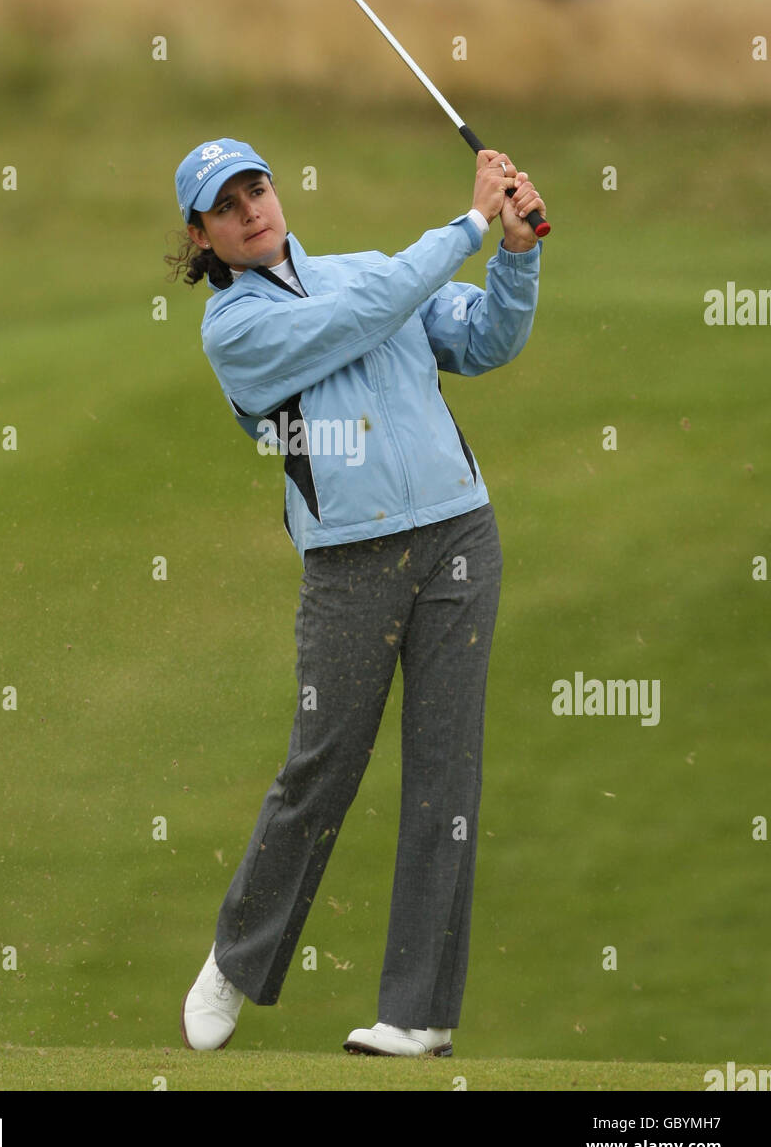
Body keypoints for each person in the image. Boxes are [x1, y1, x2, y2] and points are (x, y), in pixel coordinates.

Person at [168, 137, 545, 1056]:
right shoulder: (235, 331)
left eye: (258, 188)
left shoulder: (374, 268)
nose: (252, 210)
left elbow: (487, 339)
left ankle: (417, 1016)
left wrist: (518, 255)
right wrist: (464, 224)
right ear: (204, 237)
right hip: (349, 561)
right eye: (228, 206)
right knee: (322, 768)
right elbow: (369, 314)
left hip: (460, 534)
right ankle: (236, 958)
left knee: (444, 776)